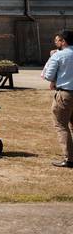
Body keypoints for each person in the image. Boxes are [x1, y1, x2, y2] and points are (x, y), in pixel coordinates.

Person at [42, 29, 73, 168]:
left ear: (63, 41)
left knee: (61, 125)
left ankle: (69, 158)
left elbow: (48, 75)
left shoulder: (58, 55)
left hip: (65, 93)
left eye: (57, 40)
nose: (55, 43)